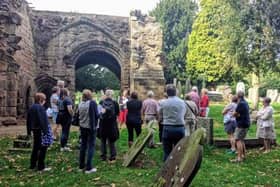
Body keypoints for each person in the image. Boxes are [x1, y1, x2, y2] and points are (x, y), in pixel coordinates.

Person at [159, 84, 187, 161]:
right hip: (179, 127)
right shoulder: (182, 102)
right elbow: (184, 113)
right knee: (178, 150)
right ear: (176, 92)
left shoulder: (163, 103)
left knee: (167, 151)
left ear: (167, 93)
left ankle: (167, 167)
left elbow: (160, 114)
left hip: (167, 127)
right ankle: (178, 166)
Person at [27, 93, 53, 171]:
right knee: (43, 148)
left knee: (35, 148)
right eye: (44, 99)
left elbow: (28, 120)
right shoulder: (40, 108)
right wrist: (46, 131)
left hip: (35, 130)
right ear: (40, 100)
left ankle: (32, 165)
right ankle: (41, 166)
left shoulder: (31, 107)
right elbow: (43, 121)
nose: (45, 101)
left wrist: (29, 130)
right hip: (41, 130)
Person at [78, 89, 99, 173]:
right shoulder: (92, 103)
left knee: (83, 146)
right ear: (90, 95)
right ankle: (89, 168)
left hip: (82, 127)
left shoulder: (80, 103)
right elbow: (96, 115)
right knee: (91, 146)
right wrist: (102, 113)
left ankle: (81, 165)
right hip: (90, 127)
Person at [99, 89, 120, 163]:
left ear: (105, 94)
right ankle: (112, 156)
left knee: (103, 141)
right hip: (112, 124)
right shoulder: (115, 103)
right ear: (112, 95)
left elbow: (99, 113)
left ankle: (103, 156)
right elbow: (117, 114)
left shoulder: (101, 102)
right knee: (111, 141)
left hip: (103, 124)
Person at [231, 91, 250, 163]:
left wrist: (234, 114)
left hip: (241, 124)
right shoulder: (245, 102)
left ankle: (239, 158)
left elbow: (235, 114)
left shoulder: (240, 104)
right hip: (246, 123)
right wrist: (237, 114)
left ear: (237, 96)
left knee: (238, 140)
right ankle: (243, 155)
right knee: (241, 140)